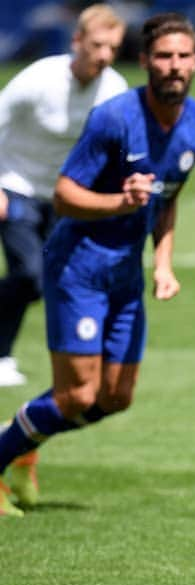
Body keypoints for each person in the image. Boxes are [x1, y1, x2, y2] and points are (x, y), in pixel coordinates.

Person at [0, 13, 195, 519]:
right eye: (163, 56)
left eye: (183, 56)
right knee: (76, 393)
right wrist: (120, 203)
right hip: (78, 266)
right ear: (144, 62)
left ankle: (29, 435)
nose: (174, 66)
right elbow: (65, 194)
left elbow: (167, 198)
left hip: (126, 274)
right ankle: (7, 452)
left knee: (116, 398)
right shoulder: (114, 117)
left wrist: (163, 263)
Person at [0, 4, 129, 389]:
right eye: (97, 45)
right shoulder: (39, 79)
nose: (104, 55)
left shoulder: (115, 89)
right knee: (29, 277)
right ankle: (2, 355)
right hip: (15, 184)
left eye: (113, 47)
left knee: (68, 279)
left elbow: (116, 149)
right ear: (77, 41)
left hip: (66, 196)